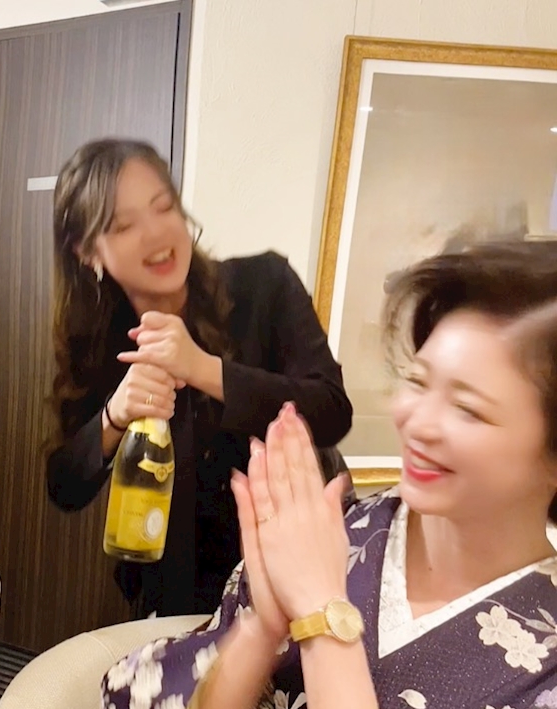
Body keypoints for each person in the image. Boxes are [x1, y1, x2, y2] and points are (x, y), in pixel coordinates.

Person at [102, 239, 557, 709]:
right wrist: (263, 628)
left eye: (468, 408)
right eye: (418, 382)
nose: (417, 421)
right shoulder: (339, 532)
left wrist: (321, 619)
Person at [46, 139, 353, 618]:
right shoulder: (99, 342)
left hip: (293, 587)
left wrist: (204, 369)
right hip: (174, 602)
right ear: (88, 252)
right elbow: (64, 486)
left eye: (163, 206)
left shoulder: (264, 286)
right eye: (124, 225)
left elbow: (332, 411)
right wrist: (113, 416)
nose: (155, 233)